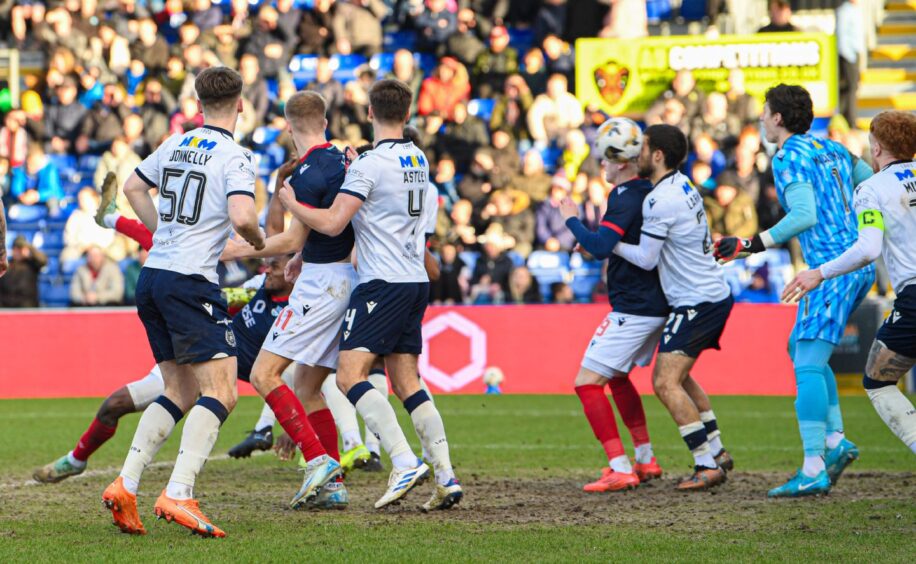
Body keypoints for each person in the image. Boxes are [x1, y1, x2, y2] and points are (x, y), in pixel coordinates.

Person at [276, 79, 462, 511]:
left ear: (368, 113)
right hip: (415, 280)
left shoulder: (368, 166)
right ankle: (446, 476)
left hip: (382, 283)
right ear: (409, 114)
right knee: (407, 382)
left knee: (348, 376)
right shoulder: (417, 158)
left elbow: (334, 223)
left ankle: (403, 462)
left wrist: (292, 203)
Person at [102, 67, 265, 538]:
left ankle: (126, 483)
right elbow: (241, 213)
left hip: (153, 278)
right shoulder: (235, 156)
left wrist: (160, 234)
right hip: (191, 281)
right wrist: (254, 238)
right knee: (223, 391)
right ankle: (178, 491)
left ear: (197, 104)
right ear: (239, 105)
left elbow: (133, 187)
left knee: (178, 390)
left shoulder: (176, 143)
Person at [34, 213, 296, 486]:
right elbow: (147, 235)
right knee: (115, 404)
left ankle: (176, 486)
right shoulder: (194, 256)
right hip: (185, 352)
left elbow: (287, 369)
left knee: (218, 398)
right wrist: (112, 219)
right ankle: (79, 460)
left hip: (210, 354)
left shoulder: (266, 289)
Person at [715, 84, 876, 498]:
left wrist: (749, 244)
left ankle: (813, 466)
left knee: (806, 358)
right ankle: (835, 441)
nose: (761, 119)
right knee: (800, 347)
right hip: (858, 264)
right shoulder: (832, 148)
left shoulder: (787, 157)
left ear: (779, 119)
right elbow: (870, 181)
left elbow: (804, 215)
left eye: (765, 112)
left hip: (829, 269)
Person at [220, 90, 358, 511]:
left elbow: (292, 236)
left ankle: (317, 461)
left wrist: (234, 249)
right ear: (326, 122)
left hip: (323, 284)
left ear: (287, 126)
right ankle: (333, 485)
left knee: (264, 375)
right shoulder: (346, 160)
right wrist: (301, 255)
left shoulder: (301, 176)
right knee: (309, 385)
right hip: (348, 276)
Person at [782, 110, 916, 456]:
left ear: (876, 148)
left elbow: (868, 248)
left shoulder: (872, 189)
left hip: (913, 297)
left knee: (878, 380)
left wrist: (819, 272)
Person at [613, 124, 734, 491]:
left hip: (696, 301)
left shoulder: (659, 199)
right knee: (679, 376)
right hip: (711, 294)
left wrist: (609, 244)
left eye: (643, 147)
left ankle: (705, 464)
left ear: (658, 155)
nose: (637, 153)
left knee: (664, 382)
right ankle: (717, 450)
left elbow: (647, 259)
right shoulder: (683, 185)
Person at [560, 118, 667, 492]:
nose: (600, 166)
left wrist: (571, 219)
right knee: (618, 378)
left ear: (620, 162)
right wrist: (591, 245)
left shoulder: (625, 196)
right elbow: (610, 245)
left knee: (587, 383)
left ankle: (619, 467)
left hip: (634, 307)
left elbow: (605, 244)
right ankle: (645, 458)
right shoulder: (641, 192)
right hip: (649, 303)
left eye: (604, 160)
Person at [836, 0, 865, 127]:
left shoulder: (855, 9)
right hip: (848, 55)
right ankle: (850, 121)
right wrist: (849, 57)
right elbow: (841, 36)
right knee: (850, 89)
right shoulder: (844, 10)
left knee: (852, 88)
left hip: (854, 54)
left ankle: (847, 119)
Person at [0, 235, 46, 307]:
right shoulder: (6, 265)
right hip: (7, 305)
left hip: (27, 305)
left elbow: (43, 261)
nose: (18, 252)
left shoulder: (32, 264)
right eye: (16, 249)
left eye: (20, 249)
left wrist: (29, 248)